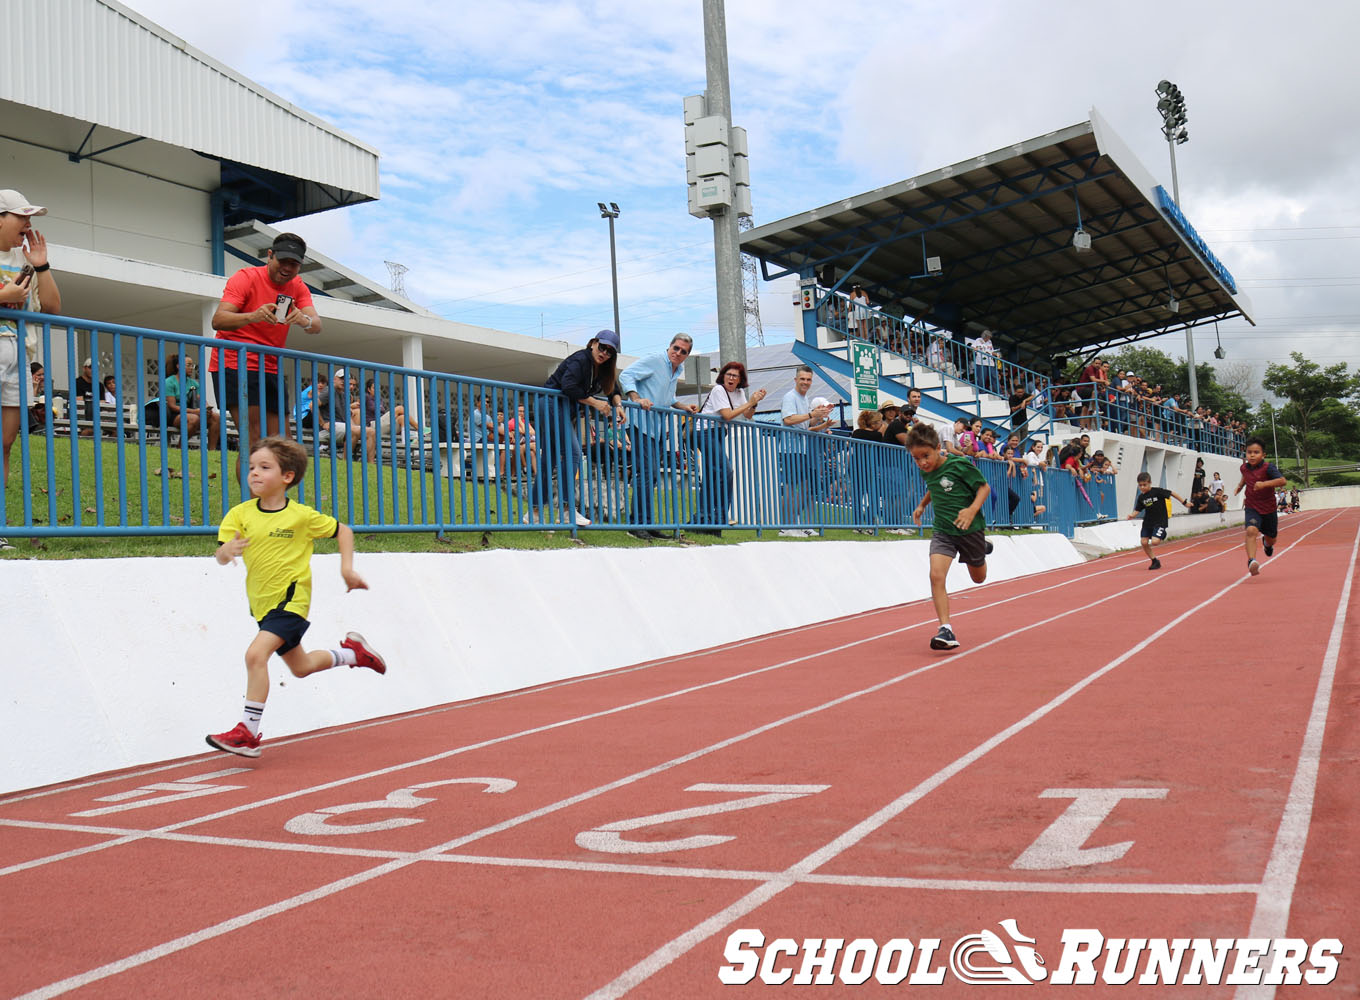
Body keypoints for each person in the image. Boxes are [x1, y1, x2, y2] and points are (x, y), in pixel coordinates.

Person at [206, 436, 386, 758]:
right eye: (251, 467)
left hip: (291, 602)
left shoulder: (301, 516)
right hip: (262, 605)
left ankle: (247, 732)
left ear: (287, 476)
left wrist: (347, 569)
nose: (254, 473)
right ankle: (353, 654)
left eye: (264, 467)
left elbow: (343, 531)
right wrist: (226, 551)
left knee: (255, 656)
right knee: (301, 667)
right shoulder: (239, 514)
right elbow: (220, 556)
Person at [210, 233, 322, 464]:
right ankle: (252, 489)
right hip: (236, 361)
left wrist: (304, 320)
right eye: (283, 261)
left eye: (294, 264)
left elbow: (317, 325)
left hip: (270, 366)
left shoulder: (297, 286)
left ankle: (275, 489)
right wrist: (253, 316)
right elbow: (218, 319)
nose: (287, 268)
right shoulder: (246, 277)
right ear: (270, 256)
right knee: (254, 441)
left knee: (284, 446)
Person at [908, 422, 992, 651]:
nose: (922, 462)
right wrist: (922, 505)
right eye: (916, 458)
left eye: (926, 456)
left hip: (970, 529)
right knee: (936, 575)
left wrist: (972, 510)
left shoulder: (958, 465)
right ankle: (945, 628)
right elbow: (933, 486)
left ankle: (982, 548)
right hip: (943, 531)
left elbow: (984, 488)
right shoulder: (926, 471)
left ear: (938, 448)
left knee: (978, 578)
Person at [0, 189, 62, 484]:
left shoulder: (23, 259)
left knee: (6, 442)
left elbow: (52, 308)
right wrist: (4, 296)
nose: (28, 224)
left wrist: (41, 265)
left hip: (19, 355)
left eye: (30, 218)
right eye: (22, 217)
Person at [539, 329, 625, 529]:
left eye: (610, 351)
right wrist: (595, 403)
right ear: (593, 343)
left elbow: (613, 389)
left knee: (549, 459)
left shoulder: (601, 368)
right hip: (552, 403)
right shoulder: (581, 360)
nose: (604, 353)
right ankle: (567, 510)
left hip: (560, 408)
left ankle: (533, 512)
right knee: (574, 453)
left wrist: (618, 405)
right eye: (602, 347)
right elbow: (569, 386)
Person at [620, 333, 697, 536]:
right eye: (676, 348)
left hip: (656, 429)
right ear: (669, 346)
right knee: (647, 472)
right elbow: (626, 375)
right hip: (639, 423)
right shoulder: (655, 360)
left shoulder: (677, 370)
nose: (678, 353)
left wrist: (682, 406)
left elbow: (668, 397)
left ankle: (647, 523)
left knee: (653, 474)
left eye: (683, 351)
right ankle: (636, 525)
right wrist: (636, 398)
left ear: (687, 355)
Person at [695, 360, 766, 533]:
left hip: (718, 433)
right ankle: (720, 517)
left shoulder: (739, 392)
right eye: (729, 375)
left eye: (735, 376)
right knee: (726, 471)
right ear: (723, 376)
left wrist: (754, 402)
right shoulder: (719, 390)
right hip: (705, 431)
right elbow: (727, 415)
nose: (731, 378)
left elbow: (747, 415)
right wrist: (749, 402)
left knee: (712, 476)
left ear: (740, 379)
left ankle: (703, 517)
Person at [776, 365, 832, 537]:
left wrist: (821, 419)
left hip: (801, 450)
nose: (805, 382)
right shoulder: (790, 397)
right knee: (791, 488)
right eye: (802, 379)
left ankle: (801, 525)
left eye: (808, 379)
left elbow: (806, 425)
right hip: (790, 450)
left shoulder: (804, 398)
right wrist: (812, 415)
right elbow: (788, 419)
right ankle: (786, 527)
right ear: (796, 379)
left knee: (805, 488)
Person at [1234, 438, 1288, 577]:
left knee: (1271, 538)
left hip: (1268, 508)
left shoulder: (1269, 467)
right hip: (1252, 506)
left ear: (1263, 455)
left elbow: (1282, 481)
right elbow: (1245, 477)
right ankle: (1251, 561)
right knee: (1251, 530)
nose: (1252, 455)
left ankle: (1267, 544)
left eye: (1256, 452)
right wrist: (1240, 486)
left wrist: (1263, 484)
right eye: (1249, 452)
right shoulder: (1244, 467)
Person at [155, 352, 222, 447]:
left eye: (192, 365)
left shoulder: (194, 383)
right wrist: (195, 411)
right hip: (174, 415)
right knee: (193, 419)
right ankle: (180, 448)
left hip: (192, 412)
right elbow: (172, 406)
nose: (191, 368)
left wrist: (207, 408)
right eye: (188, 365)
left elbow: (201, 400)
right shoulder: (169, 382)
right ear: (178, 366)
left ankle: (212, 451)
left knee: (216, 417)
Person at [1126, 472, 1188, 570]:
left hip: (1160, 521)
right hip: (1148, 522)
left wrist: (1184, 502)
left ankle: (1162, 533)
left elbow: (1172, 493)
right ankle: (1155, 561)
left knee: (1155, 542)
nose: (1142, 487)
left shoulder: (1157, 491)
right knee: (1144, 542)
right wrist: (1132, 515)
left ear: (1150, 483)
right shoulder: (1141, 497)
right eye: (1140, 485)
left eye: (1144, 485)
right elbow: (1138, 509)